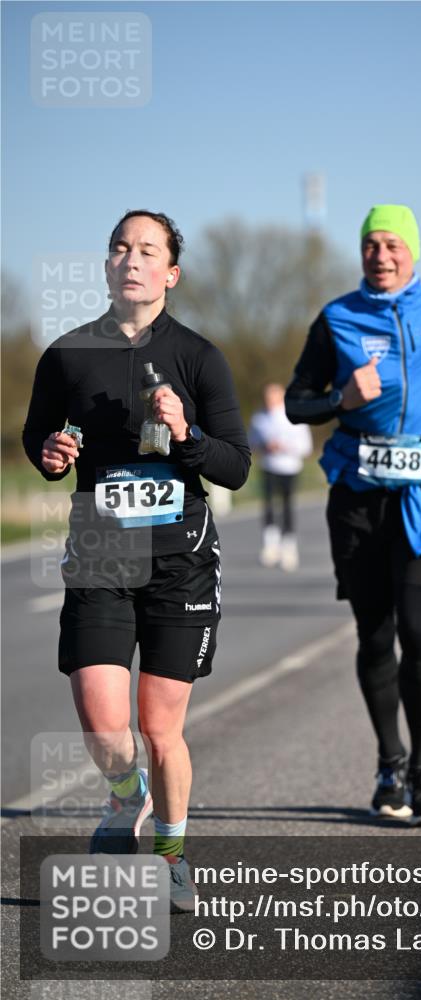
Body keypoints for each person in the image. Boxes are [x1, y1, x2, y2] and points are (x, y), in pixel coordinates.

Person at [23, 211, 250, 910]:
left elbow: (235, 466)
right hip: (101, 549)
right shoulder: (67, 355)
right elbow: (39, 438)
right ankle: (127, 797)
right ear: (107, 266)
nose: (131, 258)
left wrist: (185, 433)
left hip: (178, 556)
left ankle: (173, 853)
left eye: (146, 250)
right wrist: (51, 457)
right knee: (101, 722)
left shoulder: (199, 357)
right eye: (120, 247)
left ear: (169, 274)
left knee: (159, 727)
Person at [285, 204, 421, 824]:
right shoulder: (335, 319)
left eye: (392, 244)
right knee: (374, 634)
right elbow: (299, 403)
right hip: (356, 498)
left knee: (418, 628)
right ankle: (389, 763)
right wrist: (338, 399)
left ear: (413, 251)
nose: (380, 255)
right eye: (371, 245)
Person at [248, 382, 313, 571]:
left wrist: (285, 447)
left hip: (289, 467)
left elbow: (305, 447)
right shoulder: (259, 417)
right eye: (267, 397)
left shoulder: (293, 416)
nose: (269, 401)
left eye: (273, 397)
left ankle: (289, 548)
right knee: (268, 505)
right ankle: (270, 545)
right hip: (268, 466)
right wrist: (265, 445)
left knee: (287, 506)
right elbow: (251, 441)